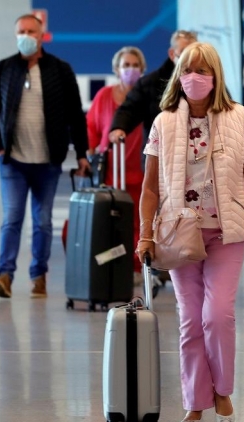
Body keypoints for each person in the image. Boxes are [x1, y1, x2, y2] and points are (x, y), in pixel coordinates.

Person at [136, 42, 244, 422]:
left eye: (202, 71)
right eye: (188, 69)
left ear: (216, 77)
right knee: (190, 321)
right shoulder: (163, 123)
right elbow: (150, 188)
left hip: (226, 232)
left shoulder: (238, 118)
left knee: (216, 315)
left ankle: (222, 390)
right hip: (178, 234)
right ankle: (194, 403)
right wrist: (144, 235)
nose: (194, 78)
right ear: (178, 75)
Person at [0, 14, 90, 299]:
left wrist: (81, 154)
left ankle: (39, 275)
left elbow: (76, 117)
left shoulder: (60, 70)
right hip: (13, 161)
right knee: (12, 218)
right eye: (21, 31)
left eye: (31, 31)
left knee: (42, 221)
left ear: (42, 35)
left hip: (47, 161)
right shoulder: (3, 69)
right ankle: (4, 275)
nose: (26, 35)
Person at [86, 46, 147, 284]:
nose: (130, 70)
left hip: (139, 170)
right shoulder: (104, 96)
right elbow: (91, 125)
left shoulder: (145, 97)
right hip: (110, 170)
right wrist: (89, 154)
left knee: (137, 222)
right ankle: (110, 264)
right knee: (109, 220)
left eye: (134, 65)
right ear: (116, 69)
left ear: (142, 69)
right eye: (126, 65)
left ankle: (135, 267)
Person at [109, 30, 198, 167]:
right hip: (159, 159)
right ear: (172, 53)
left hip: (196, 158)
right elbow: (130, 108)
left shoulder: (205, 80)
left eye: (192, 51)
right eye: (184, 51)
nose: (188, 56)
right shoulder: (150, 83)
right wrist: (119, 127)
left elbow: (222, 104)